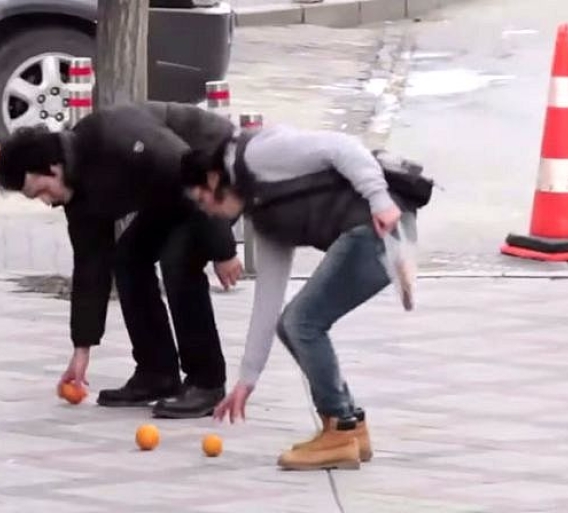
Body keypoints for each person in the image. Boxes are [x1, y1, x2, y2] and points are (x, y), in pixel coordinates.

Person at [181, 123, 433, 470]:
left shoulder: (258, 153)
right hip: (371, 234)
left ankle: (339, 430)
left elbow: (342, 146)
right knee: (294, 324)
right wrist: (247, 379)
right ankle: (350, 427)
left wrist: (379, 199)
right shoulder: (265, 216)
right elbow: (267, 302)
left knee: (302, 322)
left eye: (201, 200)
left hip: (379, 225)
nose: (205, 211)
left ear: (212, 180)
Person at [0, 102, 243, 419]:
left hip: (214, 171)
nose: (46, 202)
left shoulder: (116, 139)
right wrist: (81, 349)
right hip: (172, 192)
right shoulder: (76, 191)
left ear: (54, 168)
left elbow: (190, 169)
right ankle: (157, 372)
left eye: (41, 191)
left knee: (178, 260)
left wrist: (223, 248)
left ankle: (206, 382)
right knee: (128, 258)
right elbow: (90, 265)